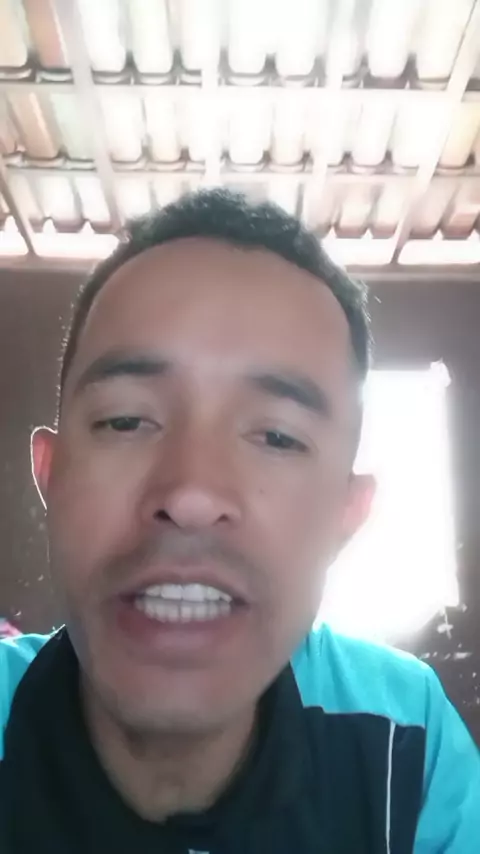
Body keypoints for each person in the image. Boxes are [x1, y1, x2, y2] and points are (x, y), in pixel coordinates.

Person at [0, 189, 478, 853]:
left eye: (277, 437)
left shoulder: (406, 740)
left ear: (346, 513)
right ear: (50, 474)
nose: (191, 494)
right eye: (126, 420)